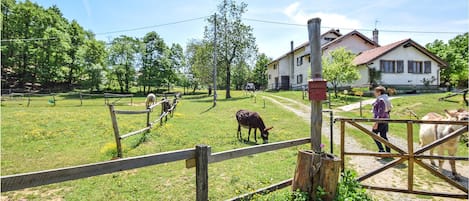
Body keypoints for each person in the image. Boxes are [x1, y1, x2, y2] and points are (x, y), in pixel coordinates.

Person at [372, 86, 393, 153]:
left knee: (373, 134)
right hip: (386, 119)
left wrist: (376, 123)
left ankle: (381, 150)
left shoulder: (381, 100)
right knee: (383, 136)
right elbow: (389, 110)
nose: (374, 93)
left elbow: (380, 113)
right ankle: (388, 151)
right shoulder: (386, 99)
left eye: (375, 92)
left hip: (380, 120)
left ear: (379, 92)